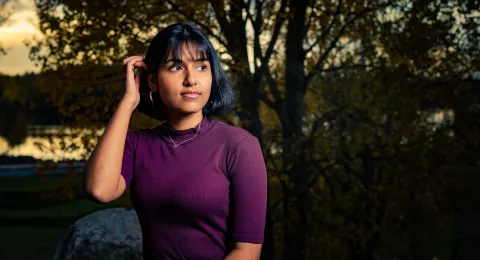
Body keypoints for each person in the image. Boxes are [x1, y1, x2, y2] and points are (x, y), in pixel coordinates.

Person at [83, 22, 267, 260]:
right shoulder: (137, 145)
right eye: (176, 67)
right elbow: (98, 190)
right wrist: (127, 103)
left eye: (202, 67)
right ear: (153, 82)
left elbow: (248, 251)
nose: (191, 79)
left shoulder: (240, 146)